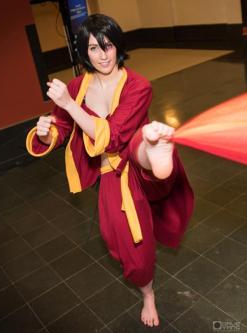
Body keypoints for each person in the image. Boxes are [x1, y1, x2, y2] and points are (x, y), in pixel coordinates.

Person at [25, 14, 194, 327]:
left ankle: (153, 149)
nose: (103, 55)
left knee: (135, 149)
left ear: (118, 46)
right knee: (121, 242)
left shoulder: (138, 85)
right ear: (83, 52)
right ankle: (153, 146)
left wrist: (70, 106)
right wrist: (47, 132)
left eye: (108, 46)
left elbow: (113, 137)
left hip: (133, 161)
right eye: (93, 48)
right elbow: (63, 128)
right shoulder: (76, 87)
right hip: (108, 174)